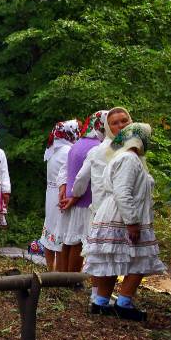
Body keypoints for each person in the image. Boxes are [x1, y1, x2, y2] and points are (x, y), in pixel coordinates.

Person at [83, 123, 166, 320]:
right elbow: (122, 192)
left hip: (115, 213)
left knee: (112, 259)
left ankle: (102, 302)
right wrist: (132, 222)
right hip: (122, 215)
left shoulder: (123, 157)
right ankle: (123, 302)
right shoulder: (129, 159)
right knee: (140, 260)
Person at [74, 107, 133, 295]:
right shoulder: (106, 150)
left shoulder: (126, 147)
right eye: (115, 123)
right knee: (105, 255)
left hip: (112, 207)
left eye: (124, 121)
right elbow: (82, 179)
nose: (121, 126)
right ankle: (99, 295)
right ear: (106, 127)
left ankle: (99, 294)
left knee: (106, 255)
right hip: (108, 208)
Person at [56, 110, 108, 272]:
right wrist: (76, 196)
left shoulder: (78, 143)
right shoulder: (97, 147)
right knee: (78, 242)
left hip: (70, 199)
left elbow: (64, 170)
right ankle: (72, 279)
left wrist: (63, 190)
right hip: (83, 202)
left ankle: (62, 277)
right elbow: (82, 177)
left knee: (68, 240)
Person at [40, 120, 80, 269]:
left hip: (51, 193)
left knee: (50, 228)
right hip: (61, 194)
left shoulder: (52, 149)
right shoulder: (68, 151)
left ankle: (51, 268)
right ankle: (59, 270)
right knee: (61, 231)